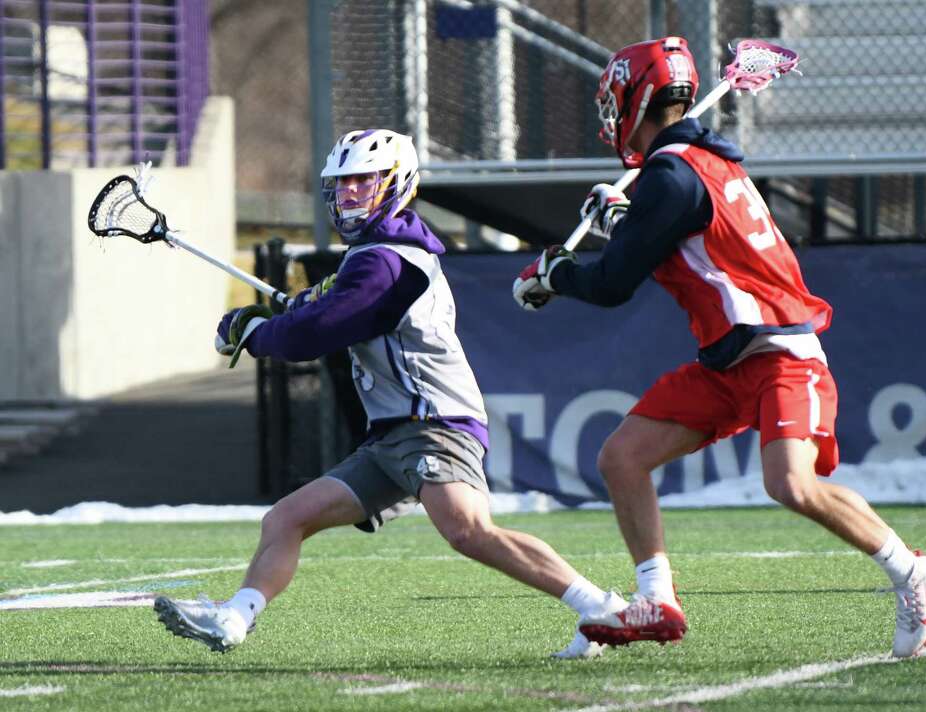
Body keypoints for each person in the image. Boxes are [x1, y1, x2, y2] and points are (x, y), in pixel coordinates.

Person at [512, 37, 926, 657]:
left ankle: (911, 570)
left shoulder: (670, 174)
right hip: (729, 359)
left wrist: (554, 277)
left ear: (638, 99)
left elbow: (611, 283)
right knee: (622, 457)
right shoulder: (695, 165)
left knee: (790, 485)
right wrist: (618, 219)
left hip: (779, 351)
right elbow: (682, 238)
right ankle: (655, 598)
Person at [154, 129, 625, 659]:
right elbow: (315, 306)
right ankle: (233, 619)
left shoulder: (388, 260)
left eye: (363, 181)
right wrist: (266, 315)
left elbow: (320, 329)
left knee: (468, 530)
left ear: (396, 184)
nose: (350, 193)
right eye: (342, 184)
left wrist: (258, 336)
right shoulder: (373, 256)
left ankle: (601, 609)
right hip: (393, 437)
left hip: (434, 426)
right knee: (286, 518)